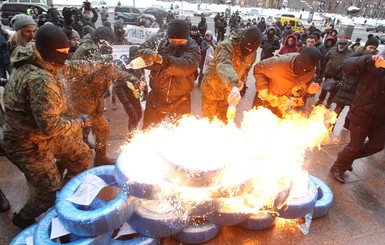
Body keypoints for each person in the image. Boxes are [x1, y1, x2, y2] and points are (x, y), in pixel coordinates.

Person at [2, 24, 93, 229]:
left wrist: (103, 65)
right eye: (60, 52)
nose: (65, 56)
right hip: (27, 144)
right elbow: (51, 126)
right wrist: (80, 122)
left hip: (41, 134)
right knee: (48, 194)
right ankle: (23, 218)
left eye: (66, 51)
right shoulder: (39, 79)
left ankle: (67, 196)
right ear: (48, 51)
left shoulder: (39, 58)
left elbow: (69, 66)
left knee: (81, 152)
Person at [69, 26, 139, 166]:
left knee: (102, 129)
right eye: (110, 44)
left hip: (93, 99)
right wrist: (104, 63)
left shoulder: (96, 49)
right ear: (103, 41)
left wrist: (131, 79)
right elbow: (97, 73)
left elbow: (112, 71)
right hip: (82, 100)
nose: (111, 47)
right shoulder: (87, 50)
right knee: (79, 133)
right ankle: (74, 166)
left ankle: (100, 158)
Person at [329, 52, 385, 184]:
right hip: (361, 113)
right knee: (354, 147)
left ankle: (347, 159)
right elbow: (347, 65)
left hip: (380, 117)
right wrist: (369, 59)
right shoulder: (371, 63)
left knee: (377, 145)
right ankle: (337, 167)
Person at [136, 19, 200, 129]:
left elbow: (186, 66)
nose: (177, 45)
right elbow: (139, 56)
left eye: (181, 42)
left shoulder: (193, 47)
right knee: (148, 132)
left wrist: (162, 61)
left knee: (180, 136)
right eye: (173, 42)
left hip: (181, 100)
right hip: (156, 97)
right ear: (167, 37)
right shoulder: (159, 40)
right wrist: (152, 60)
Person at [201, 27, 262, 123]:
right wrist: (234, 84)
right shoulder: (226, 46)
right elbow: (223, 64)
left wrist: (242, 81)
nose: (248, 51)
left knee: (224, 121)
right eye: (246, 48)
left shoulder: (252, 54)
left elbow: (246, 69)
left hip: (229, 94)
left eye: (251, 50)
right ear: (242, 40)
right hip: (212, 89)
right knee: (209, 121)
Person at [252, 47, 321, 118]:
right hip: (265, 98)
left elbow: (305, 84)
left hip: (282, 103)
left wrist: (309, 88)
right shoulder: (279, 62)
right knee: (257, 121)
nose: (302, 72)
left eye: (305, 71)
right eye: (299, 69)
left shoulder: (312, 71)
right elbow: (258, 68)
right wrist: (263, 86)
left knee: (275, 125)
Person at [316, 38, 352, 108]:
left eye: (343, 44)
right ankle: (320, 100)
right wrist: (325, 69)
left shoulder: (349, 54)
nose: (341, 46)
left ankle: (329, 102)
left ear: (346, 45)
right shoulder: (332, 50)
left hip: (339, 75)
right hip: (329, 73)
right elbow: (325, 59)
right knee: (325, 89)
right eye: (340, 44)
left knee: (334, 91)